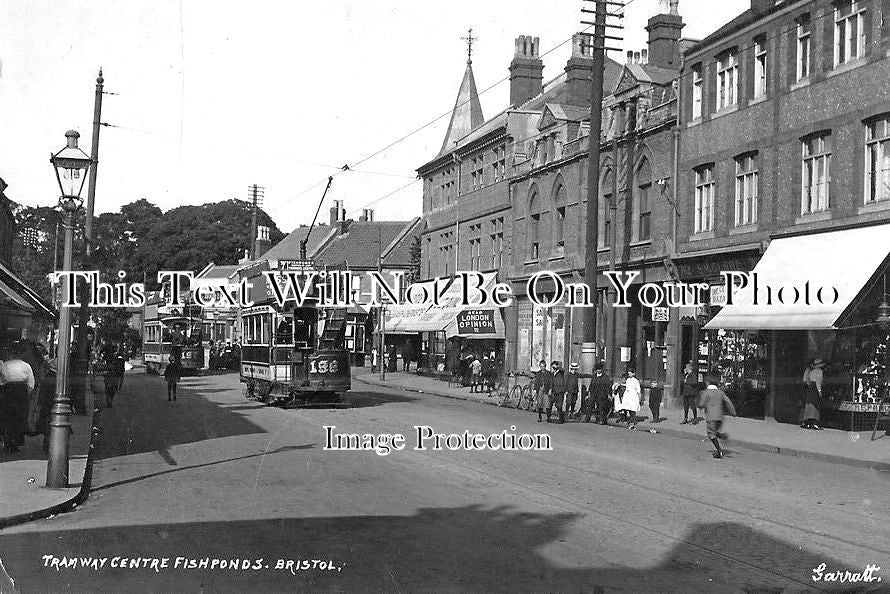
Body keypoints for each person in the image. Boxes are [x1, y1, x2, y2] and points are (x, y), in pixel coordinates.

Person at [0, 350, 35, 453]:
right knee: (20, 419)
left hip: (7, 392)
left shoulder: (6, 364)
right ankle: (15, 443)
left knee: (7, 418)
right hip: (21, 392)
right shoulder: (25, 366)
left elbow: (1, 380)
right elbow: (31, 383)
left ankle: (7, 442)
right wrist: (27, 395)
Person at [697, 376, 737, 459]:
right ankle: (720, 435)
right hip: (720, 417)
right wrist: (733, 412)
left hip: (711, 417)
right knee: (715, 432)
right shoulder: (720, 392)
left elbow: (701, 404)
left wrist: (700, 406)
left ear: (708, 383)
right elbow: (728, 402)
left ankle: (719, 451)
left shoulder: (706, 392)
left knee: (711, 434)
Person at [801, 358, 825, 430]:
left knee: (809, 404)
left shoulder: (811, 371)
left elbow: (805, 380)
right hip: (815, 389)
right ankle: (815, 423)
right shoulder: (819, 371)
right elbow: (818, 382)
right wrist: (820, 391)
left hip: (810, 388)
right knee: (815, 405)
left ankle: (807, 422)